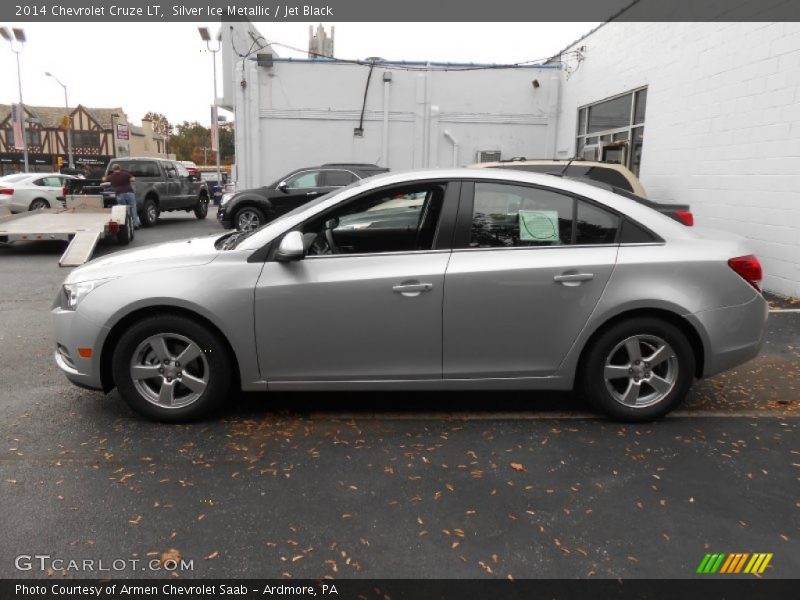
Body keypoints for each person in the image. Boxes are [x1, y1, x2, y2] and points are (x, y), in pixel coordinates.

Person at [103, 164, 140, 229]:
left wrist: (107, 178)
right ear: (119, 168)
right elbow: (133, 179)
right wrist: (131, 183)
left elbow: (104, 179)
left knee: (124, 210)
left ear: (113, 169)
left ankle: (127, 225)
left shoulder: (111, 176)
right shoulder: (125, 174)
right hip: (129, 192)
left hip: (119, 194)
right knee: (133, 208)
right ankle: (135, 224)